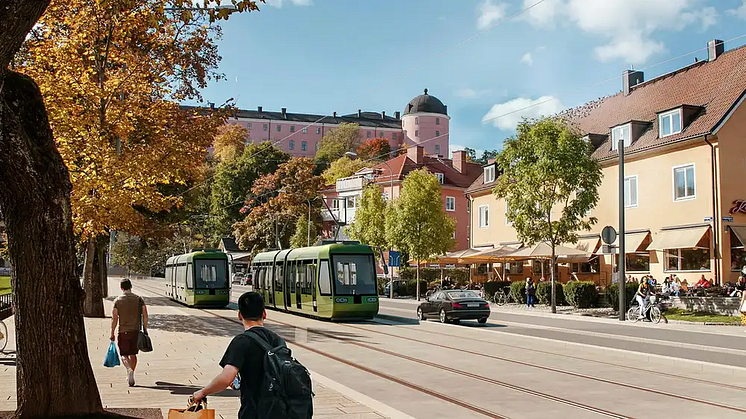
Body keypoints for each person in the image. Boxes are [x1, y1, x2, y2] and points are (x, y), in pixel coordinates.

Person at [192, 292, 285, 419]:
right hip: (281, 411)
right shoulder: (279, 341)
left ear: (240, 315)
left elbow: (226, 379)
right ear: (264, 314)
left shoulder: (242, 341)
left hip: (254, 412)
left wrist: (202, 392)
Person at [110, 279, 148, 387]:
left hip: (123, 331)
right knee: (133, 354)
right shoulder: (139, 299)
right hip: (135, 332)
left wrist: (112, 332)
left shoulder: (117, 301)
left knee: (123, 354)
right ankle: (132, 372)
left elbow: (115, 318)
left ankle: (128, 369)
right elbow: (145, 315)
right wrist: (145, 329)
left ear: (121, 288)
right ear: (131, 286)